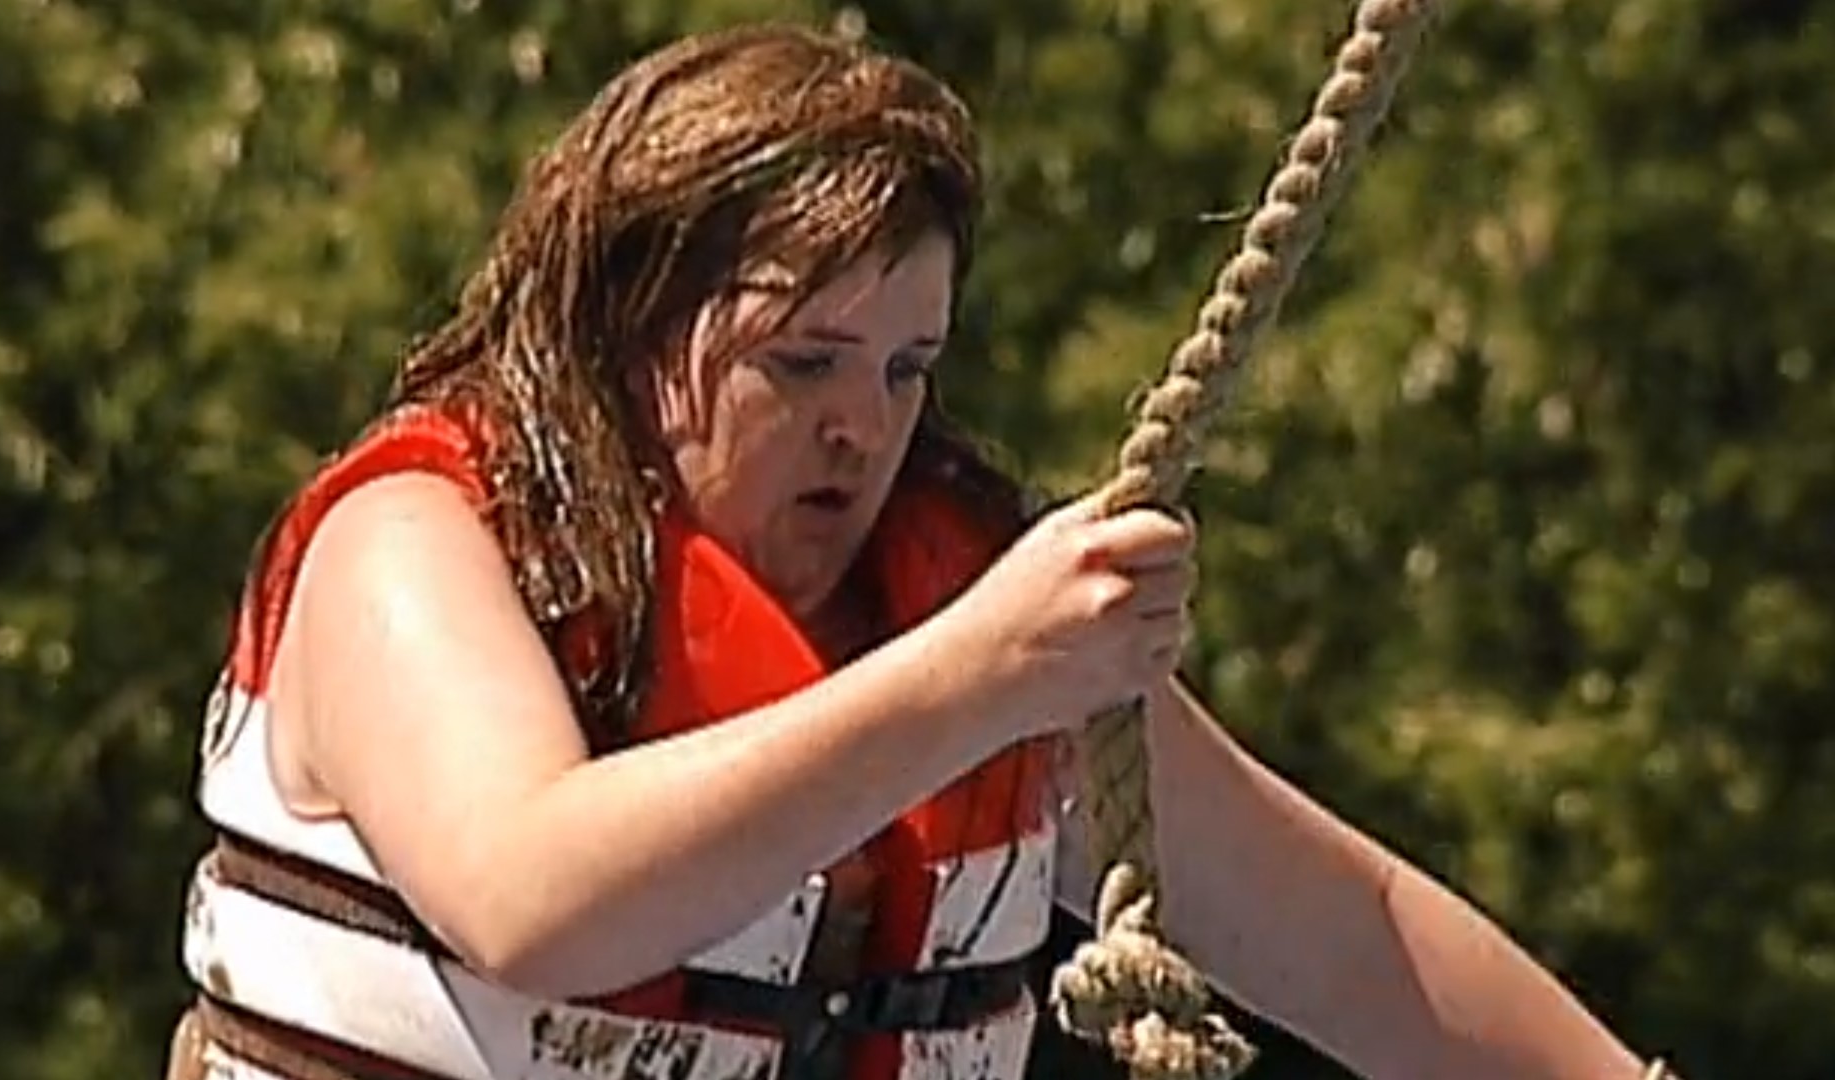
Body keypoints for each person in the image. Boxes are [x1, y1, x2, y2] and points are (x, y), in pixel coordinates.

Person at [165, 21, 1674, 1080]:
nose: (861, 428)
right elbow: (535, 898)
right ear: (624, 331)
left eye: (906, 369)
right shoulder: (413, 547)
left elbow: (1351, 943)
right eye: (804, 361)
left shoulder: (961, 601)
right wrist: (977, 675)